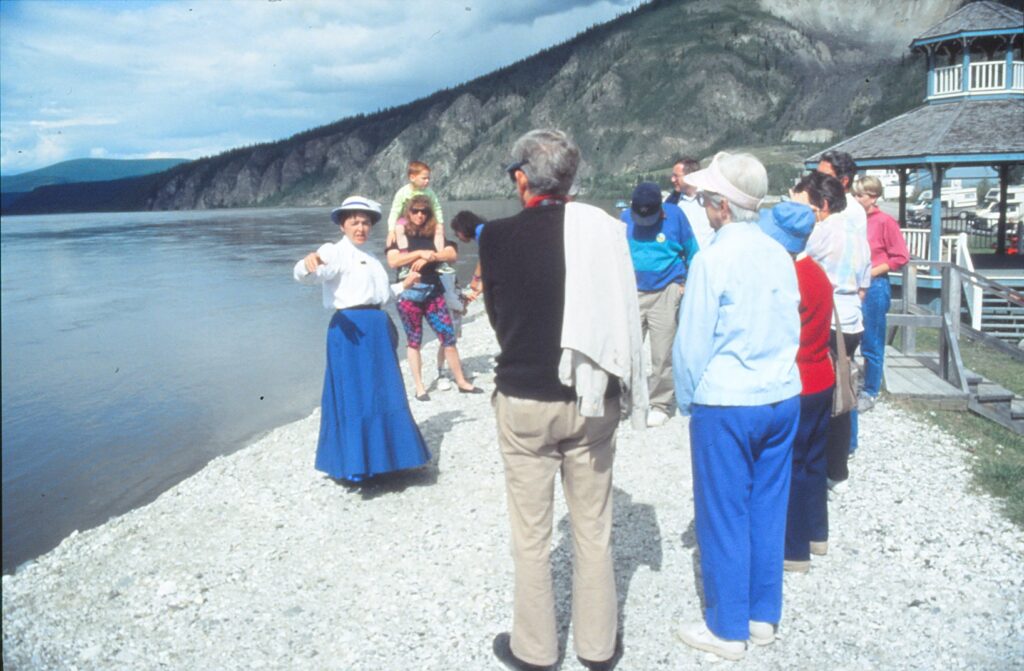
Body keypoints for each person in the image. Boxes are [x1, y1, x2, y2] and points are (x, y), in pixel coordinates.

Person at [481, 129, 645, 671]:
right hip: (592, 395)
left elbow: (499, 319)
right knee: (592, 527)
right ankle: (597, 649)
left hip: (525, 396)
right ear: (570, 178)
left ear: (522, 178)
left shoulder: (496, 237)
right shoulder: (603, 231)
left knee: (531, 534)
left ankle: (535, 649)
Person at [672, 152, 801, 661]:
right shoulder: (779, 254)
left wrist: (686, 399)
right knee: (768, 508)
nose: (703, 207)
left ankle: (728, 629)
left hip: (727, 401)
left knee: (723, 512)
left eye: (706, 199)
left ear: (722, 207)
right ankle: (762, 615)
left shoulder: (712, 259)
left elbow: (692, 343)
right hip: (781, 393)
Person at [292, 196, 431, 483]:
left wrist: (403, 286)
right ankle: (358, 464)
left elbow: (379, 297)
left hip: (376, 329)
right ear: (342, 225)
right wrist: (307, 265)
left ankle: (392, 460)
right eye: (354, 222)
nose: (361, 227)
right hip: (351, 331)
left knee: (383, 391)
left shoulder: (370, 258)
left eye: (365, 222)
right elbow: (311, 275)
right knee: (357, 394)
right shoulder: (334, 251)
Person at [757, 202, 836, 574]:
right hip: (823, 376)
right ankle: (817, 532)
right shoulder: (816, 272)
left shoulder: (791, 276)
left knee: (790, 465)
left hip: (799, 382)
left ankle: (794, 549)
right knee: (814, 462)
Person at [800, 170, 870, 494]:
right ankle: (838, 467)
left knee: (822, 397)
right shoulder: (857, 232)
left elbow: (800, 263)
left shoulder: (824, 231)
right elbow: (864, 283)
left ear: (823, 205)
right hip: (853, 319)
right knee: (843, 394)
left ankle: (817, 465)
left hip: (830, 322)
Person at [386, 196, 481, 400]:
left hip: (433, 292)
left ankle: (462, 381)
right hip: (408, 295)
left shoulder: (434, 235)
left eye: (424, 211)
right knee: (414, 341)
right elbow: (393, 261)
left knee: (448, 336)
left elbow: (451, 254)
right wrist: (419, 254)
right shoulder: (398, 236)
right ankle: (420, 387)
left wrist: (433, 256)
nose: (420, 215)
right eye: (416, 211)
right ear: (408, 213)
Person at [621, 181, 699, 427]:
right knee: (626, 350)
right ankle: (624, 400)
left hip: (666, 289)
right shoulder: (624, 219)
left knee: (662, 352)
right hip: (633, 290)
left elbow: (693, 250)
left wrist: (686, 282)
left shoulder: (675, 215)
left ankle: (660, 403)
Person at [852, 175, 909, 412]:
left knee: (872, 341)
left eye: (860, 195)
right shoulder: (853, 220)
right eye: (854, 194)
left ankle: (870, 390)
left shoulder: (885, 222)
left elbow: (901, 257)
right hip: (853, 284)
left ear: (873, 197)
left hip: (875, 285)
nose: (855, 199)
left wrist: (872, 272)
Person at [388, 160, 446, 252]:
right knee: (399, 228)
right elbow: (395, 212)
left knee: (439, 229)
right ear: (412, 177)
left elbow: (436, 208)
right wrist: (391, 230)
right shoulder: (402, 192)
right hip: (406, 220)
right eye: (424, 178)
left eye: (428, 178)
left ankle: (439, 254)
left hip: (425, 220)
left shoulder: (430, 192)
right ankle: (404, 252)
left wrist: (440, 223)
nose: (427, 181)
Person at [668, 158, 714, 249]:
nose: (672, 180)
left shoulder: (710, 197)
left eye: (676, 176)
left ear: (689, 176)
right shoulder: (672, 203)